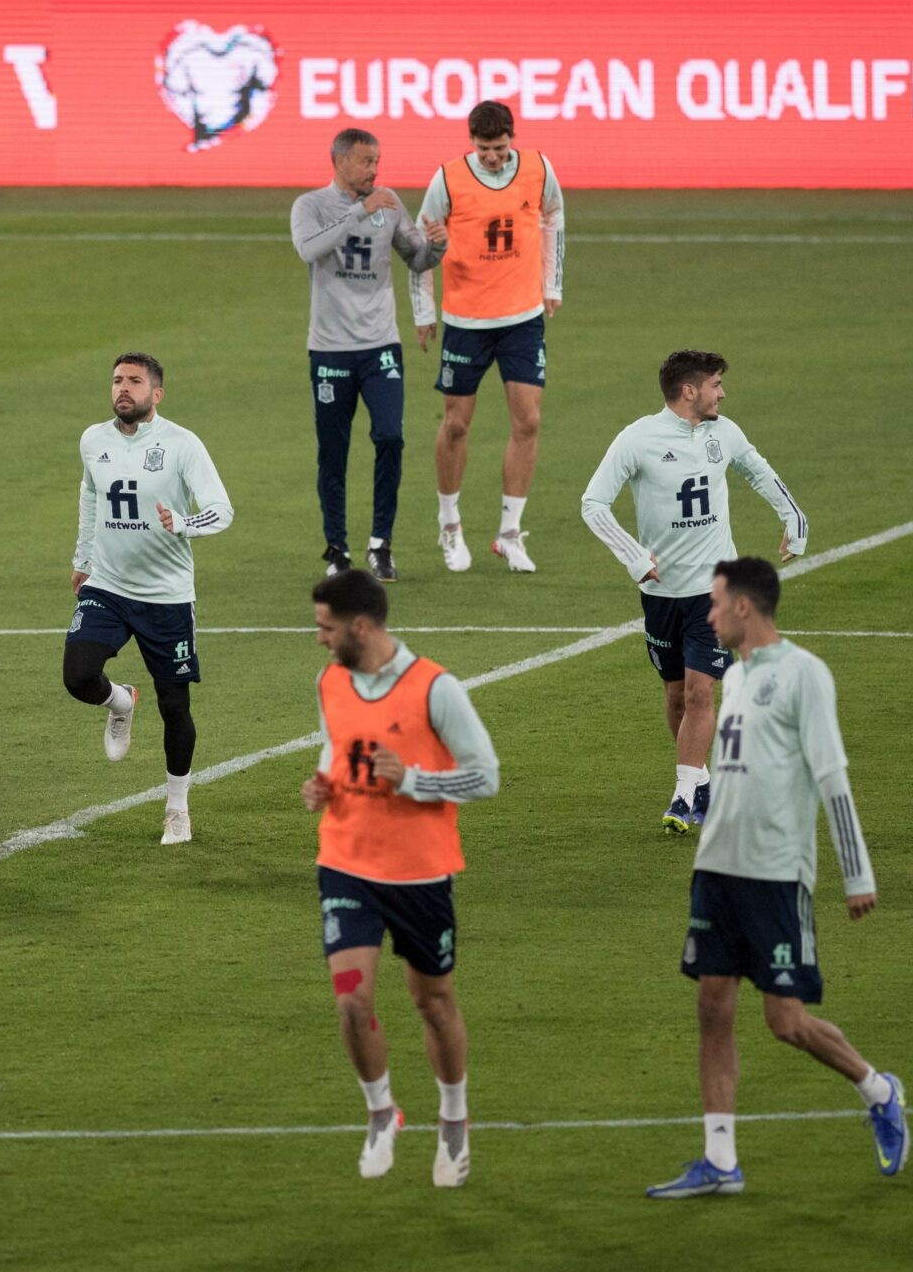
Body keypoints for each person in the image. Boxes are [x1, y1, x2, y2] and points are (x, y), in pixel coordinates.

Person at [647, 558, 906, 1198]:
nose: (707, 615)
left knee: (785, 1023)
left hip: (773, 872)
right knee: (712, 1007)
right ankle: (720, 1159)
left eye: (714, 604)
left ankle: (878, 1089)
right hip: (717, 867)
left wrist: (857, 873)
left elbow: (832, 776)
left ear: (742, 607)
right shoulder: (735, 679)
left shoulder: (803, 675)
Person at [302, 569, 499, 1183]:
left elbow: (486, 775)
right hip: (346, 862)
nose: (320, 639)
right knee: (352, 1003)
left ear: (361, 626)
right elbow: (337, 748)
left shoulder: (435, 688)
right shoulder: (330, 681)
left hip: (419, 873)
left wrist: (413, 781)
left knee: (433, 1003)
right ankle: (382, 1111)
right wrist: (324, 782)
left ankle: (454, 1119)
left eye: (326, 628)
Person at [581, 350, 808, 832]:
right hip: (662, 595)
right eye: (715, 384)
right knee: (678, 696)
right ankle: (701, 782)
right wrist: (634, 557)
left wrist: (794, 516)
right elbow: (593, 503)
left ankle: (683, 797)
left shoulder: (725, 433)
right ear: (689, 391)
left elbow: (758, 471)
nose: (722, 392)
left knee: (703, 691)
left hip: (714, 591)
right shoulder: (637, 439)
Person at [65, 352, 234, 845]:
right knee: (78, 676)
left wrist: (184, 524)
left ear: (155, 394)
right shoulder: (92, 439)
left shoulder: (182, 445)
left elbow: (222, 510)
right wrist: (82, 558)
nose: (123, 388)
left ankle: (177, 808)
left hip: (166, 596)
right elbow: (91, 496)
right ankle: (120, 701)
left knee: (175, 706)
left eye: (135, 382)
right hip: (108, 585)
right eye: (117, 380)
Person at [408, 101, 564, 575]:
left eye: (499, 148)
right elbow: (421, 241)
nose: (492, 157)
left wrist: (552, 283)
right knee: (455, 425)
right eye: (483, 149)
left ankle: (509, 533)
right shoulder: (449, 178)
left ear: (511, 139)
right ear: (471, 143)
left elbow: (554, 217)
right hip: (466, 320)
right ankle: (450, 524)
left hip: (521, 317)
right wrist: (423, 310)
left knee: (528, 422)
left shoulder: (538, 169)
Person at [290, 127, 449, 582]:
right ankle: (337, 550)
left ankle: (381, 544)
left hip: (380, 346)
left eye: (377, 161)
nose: (374, 169)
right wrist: (360, 211)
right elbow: (309, 249)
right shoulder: (311, 206)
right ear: (340, 162)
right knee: (333, 451)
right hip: (330, 350)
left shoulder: (389, 203)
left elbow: (416, 259)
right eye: (365, 161)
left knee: (390, 438)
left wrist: (436, 245)